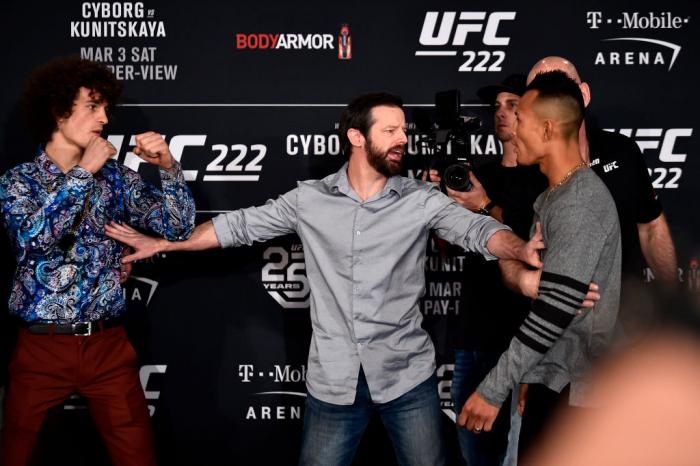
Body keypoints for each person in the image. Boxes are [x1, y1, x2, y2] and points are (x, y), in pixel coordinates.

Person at [104, 92, 543, 466]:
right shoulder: (309, 199)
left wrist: (519, 247)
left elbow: (479, 232)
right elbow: (237, 226)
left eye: (403, 131)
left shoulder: (420, 200)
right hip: (334, 382)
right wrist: (168, 245)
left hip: (407, 378)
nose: (402, 140)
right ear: (356, 137)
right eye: (390, 131)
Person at [0, 56, 196, 466]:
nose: (104, 118)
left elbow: (175, 227)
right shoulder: (19, 181)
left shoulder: (117, 178)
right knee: (18, 455)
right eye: (92, 106)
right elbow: (34, 241)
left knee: (138, 457)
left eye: (106, 108)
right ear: (58, 110)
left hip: (107, 346)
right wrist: (83, 173)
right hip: (42, 347)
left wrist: (169, 168)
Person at [458, 71, 621, 461]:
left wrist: (493, 389)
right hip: (555, 379)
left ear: (547, 129)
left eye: (521, 120)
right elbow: (533, 284)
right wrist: (537, 372)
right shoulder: (553, 197)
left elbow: (552, 311)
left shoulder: (578, 203)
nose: (512, 129)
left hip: (580, 395)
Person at [427, 74, 547, 466]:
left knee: (524, 451)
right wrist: (439, 205)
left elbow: (533, 245)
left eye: (512, 105)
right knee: (473, 450)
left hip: (528, 338)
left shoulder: (547, 178)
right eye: (496, 107)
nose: (501, 114)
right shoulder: (477, 175)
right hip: (475, 331)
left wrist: (482, 205)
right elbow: (446, 249)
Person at [527, 57, 678, 321]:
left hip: (627, 318)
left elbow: (652, 227)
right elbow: (512, 254)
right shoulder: (526, 170)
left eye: (563, 89)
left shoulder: (622, 151)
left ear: (583, 94)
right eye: (541, 94)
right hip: (560, 324)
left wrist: (673, 301)